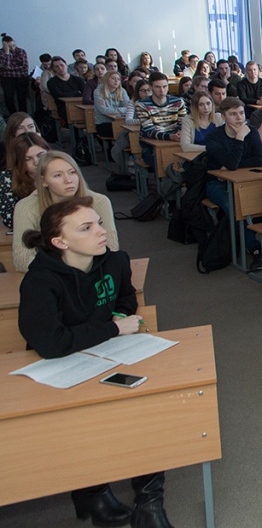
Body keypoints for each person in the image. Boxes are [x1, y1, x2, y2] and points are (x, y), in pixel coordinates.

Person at [17, 196, 175, 528]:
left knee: (150, 402)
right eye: (87, 228)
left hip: (109, 354)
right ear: (60, 242)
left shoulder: (115, 261)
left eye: (99, 224)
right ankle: (94, 492)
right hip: (61, 366)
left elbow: (126, 299)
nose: (101, 232)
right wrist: (113, 328)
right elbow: (51, 342)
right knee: (85, 421)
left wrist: (118, 319)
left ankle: (149, 504)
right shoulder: (40, 281)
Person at [13, 151, 119, 272]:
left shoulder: (100, 202)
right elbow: (22, 259)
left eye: (72, 172)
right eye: (58, 175)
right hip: (50, 276)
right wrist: (63, 275)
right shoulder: (26, 207)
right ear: (43, 181)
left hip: (92, 273)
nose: (68, 180)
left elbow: (111, 248)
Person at [206, 97, 262, 266]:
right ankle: (254, 248)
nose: (239, 118)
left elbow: (259, 160)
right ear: (223, 117)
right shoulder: (214, 137)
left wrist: (231, 165)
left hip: (247, 182)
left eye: (241, 113)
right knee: (235, 206)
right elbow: (232, 164)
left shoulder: (252, 131)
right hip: (218, 184)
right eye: (233, 114)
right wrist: (239, 138)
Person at [136, 72, 186, 167]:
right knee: (162, 162)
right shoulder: (142, 105)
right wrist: (170, 136)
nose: (162, 90)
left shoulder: (178, 102)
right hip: (151, 145)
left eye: (165, 86)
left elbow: (183, 123)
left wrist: (181, 132)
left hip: (176, 141)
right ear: (150, 88)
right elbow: (149, 131)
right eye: (157, 87)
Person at [0, 133, 49, 228]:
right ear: (18, 161)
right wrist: (32, 198)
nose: (36, 162)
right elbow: (10, 220)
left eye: (40, 155)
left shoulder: (61, 171)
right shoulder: (7, 178)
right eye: (28, 159)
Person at [93, 67, 132, 138]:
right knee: (125, 133)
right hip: (104, 123)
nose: (116, 81)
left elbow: (129, 107)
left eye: (118, 79)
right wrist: (122, 109)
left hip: (120, 121)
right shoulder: (98, 91)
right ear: (106, 79)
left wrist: (111, 109)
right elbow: (103, 110)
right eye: (113, 78)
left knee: (132, 132)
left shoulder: (122, 91)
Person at [46, 56, 85, 124]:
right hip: (64, 107)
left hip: (81, 104)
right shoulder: (51, 82)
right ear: (54, 69)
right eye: (57, 67)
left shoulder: (78, 79)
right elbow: (59, 95)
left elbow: (85, 92)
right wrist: (77, 92)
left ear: (66, 65)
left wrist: (72, 94)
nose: (60, 68)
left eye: (62, 65)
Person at [0, 33, 32, 113]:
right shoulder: (1, 53)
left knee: (22, 99)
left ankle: (24, 116)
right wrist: (7, 53)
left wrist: (8, 68)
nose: (12, 48)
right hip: (7, 79)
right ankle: (13, 117)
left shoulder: (21, 51)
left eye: (13, 45)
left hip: (22, 78)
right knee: (8, 99)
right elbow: (6, 67)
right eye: (9, 47)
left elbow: (24, 67)